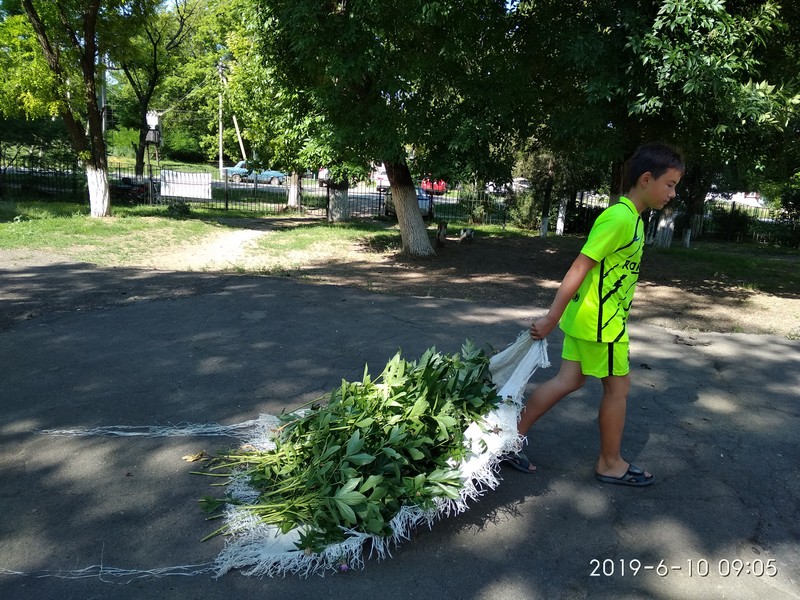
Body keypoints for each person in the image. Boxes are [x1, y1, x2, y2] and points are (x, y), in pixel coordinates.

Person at [503, 141, 685, 486]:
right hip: (603, 325)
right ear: (647, 179)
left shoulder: (632, 219)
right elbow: (579, 266)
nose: (673, 194)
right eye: (670, 185)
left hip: (590, 319)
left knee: (568, 380)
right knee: (618, 389)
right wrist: (551, 317)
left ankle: (509, 438)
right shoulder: (620, 218)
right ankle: (610, 463)